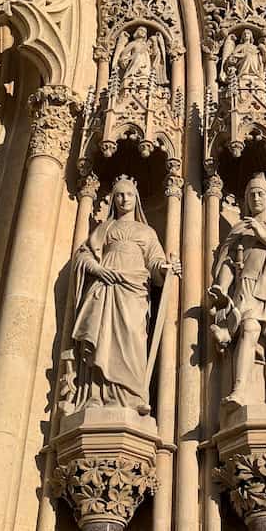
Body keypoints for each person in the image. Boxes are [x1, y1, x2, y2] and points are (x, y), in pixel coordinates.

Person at [69, 175, 179, 413]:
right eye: (119, 194)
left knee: (132, 337)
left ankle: (131, 397)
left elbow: (155, 261)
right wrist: (97, 268)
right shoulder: (105, 228)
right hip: (105, 288)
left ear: (136, 198)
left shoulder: (147, 232)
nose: (124, 199)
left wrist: (165, 268)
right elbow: (84, 254)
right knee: (101, 338)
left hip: (134, 291)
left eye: (128, 194)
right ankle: (96, 395)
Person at [209, 172, 266, 406]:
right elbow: (229, 261)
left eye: (261, 194)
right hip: (248, 286)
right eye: (251, 195)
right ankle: (239, 389)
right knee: (249, 329)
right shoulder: (240, 229)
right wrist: (221, 287)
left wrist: (264, 236)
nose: (256, 198)